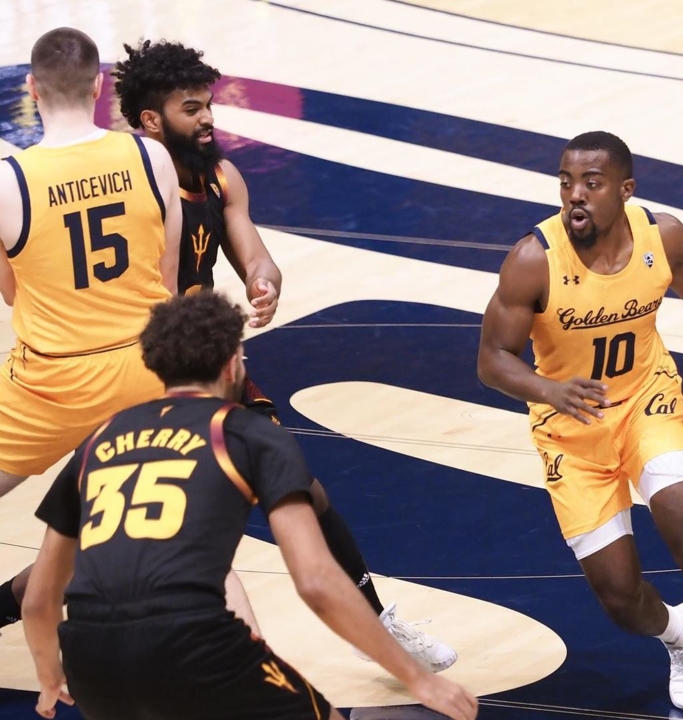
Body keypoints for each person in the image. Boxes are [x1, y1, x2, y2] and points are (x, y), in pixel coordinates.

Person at [110, 38, 457, 672]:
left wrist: (264, 282)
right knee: (120, 522)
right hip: (136, 367)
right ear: (151, 120)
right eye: (193, 109)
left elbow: (254, 254)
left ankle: (378, 626)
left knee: (304, 492)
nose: (209, 118)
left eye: (208, 104)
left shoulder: (221, 175)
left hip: (210, 363)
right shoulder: (126, 184)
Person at [22, 291, 480, 720]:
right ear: (231, 365)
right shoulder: (246, 433)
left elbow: (41, 598)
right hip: (191, 643)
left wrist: (48, 675)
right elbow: (317, 581)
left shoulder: (98, 440)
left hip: (89, 659)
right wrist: (417, 679)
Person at [477, 131, 683, 719]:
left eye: (592, 183)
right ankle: (681, 635)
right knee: (620, 597)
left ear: (625, 190)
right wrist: (549, 389)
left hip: (646, 403)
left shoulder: (663, 236)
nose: (575, 195)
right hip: (571, 431)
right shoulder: (533, 260)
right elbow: (492, 360)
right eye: (566, 183)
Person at [0, 26, 181, 625]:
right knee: (122, 525)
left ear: (31, 88)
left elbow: (12, 292)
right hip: (145, 373)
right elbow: (168, 282)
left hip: (50, 382)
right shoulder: (151, 157)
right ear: (100, 86)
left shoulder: (8, 181)